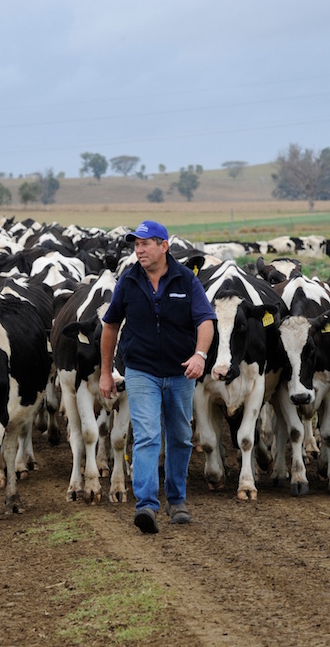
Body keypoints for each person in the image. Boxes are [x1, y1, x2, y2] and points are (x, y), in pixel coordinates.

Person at [99, 220, 215, 534]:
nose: (139, 249)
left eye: (145, 243)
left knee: (179, 437)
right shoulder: (128, 281)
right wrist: (106, 372)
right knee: (148, 435)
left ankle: (176, 500)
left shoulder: (186, 280)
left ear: (164, 246)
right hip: (141, 371)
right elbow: (110, 326)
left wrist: (200, 355)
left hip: (180, 372)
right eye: (136, 244)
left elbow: (205, 320)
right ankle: (147, 505)